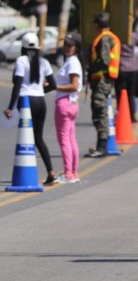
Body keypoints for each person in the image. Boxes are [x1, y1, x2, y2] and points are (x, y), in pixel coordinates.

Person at [4, 32, 57, 185]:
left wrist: (10, 107)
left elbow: (18, 85)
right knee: (38, 138)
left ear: (23, 47)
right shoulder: (44, 62)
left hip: (26, 101)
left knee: (27, 137)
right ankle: (51, 172)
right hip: (40, 101)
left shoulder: (21, 60)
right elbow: (53, 84)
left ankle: (28, 170)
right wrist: (39, 92)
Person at [86, 12, 121, 158]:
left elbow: (104, 60)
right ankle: (102, 145)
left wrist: (91, 69)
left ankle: (102, 147)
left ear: (96, 25)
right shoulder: (111, 37)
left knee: (99, 111)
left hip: (102, 79)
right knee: (101, 112)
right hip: (104, 79)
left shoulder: (105, 38)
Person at [52, 32, 85, 183]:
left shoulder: (72, 62)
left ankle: (69, 174)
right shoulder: (72, 61)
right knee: (71, 139)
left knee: (65, 139)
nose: (66, 47)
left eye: (70, 45)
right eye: (65, 44)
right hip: (71, 104)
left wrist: (54, 86)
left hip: (64, 103)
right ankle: (73, 172)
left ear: (76, 47)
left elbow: (74, 85)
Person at [114, 20, 138, 123]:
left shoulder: (118, 37)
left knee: (121, 93)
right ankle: (133, 115)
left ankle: (121, 114)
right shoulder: (134, 37)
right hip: (133, 68)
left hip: (121, 67)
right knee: (131, 94)